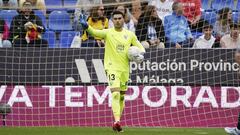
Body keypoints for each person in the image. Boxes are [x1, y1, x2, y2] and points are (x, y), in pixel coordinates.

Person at [79, 10, 145, 132]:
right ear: (112, 20)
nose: (118, 20)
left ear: (123, 19)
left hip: (125, 69)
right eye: (115, 18)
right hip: (111, 67)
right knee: (115, 93)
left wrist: (139, 55)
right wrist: (86, 26)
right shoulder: (108, 33)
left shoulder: (130, 34)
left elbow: (140, 47)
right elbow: (94, 32)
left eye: (120, 18)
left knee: (121, 97)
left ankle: (117, 122)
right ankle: (117, 121)